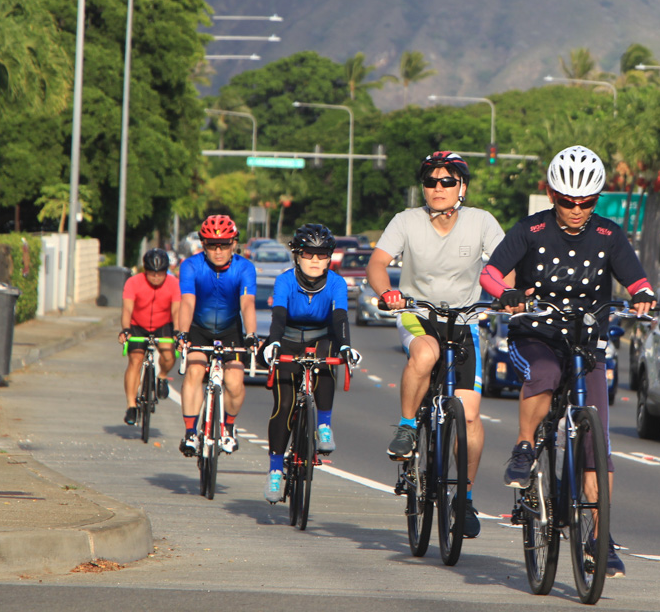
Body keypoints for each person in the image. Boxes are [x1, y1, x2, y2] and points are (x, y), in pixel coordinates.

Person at [480, 145, 656, 578]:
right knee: (544, 373)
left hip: (586, 342)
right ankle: (524, 448)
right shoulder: (531, 229)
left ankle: (599, 535)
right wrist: (507, 295)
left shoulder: (609, 235)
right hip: (536, 336)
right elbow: (490, 273)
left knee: (600, 447)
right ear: (551, 193)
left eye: (587, 202)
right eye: (567, 201)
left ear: (597, 199)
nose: (577, 210)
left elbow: (636, 279)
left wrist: (643, 298)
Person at [366, 150, 505, 539]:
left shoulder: (481, 222)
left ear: (462, 186)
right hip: (418, 314)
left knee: (471, 416)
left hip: (465, 320)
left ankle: (465, 497)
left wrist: (510, 290)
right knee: (424, 353)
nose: (438, 188)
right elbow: (377, 263)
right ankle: (409, 427)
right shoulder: (406, 221)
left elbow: (504, 264)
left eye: (447, 181)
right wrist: (387, 292)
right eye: (431, 181)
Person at [260, 224, 361, 503]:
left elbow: (340, 318)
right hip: (288, 339)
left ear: (330, 257)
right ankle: (275, 472)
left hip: (321, 340)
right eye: (308, 253)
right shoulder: (285, 280)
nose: (315, 260)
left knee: (328, 356)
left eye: (322, 254)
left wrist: (347, 348)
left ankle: (324, 426)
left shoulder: (337, 283)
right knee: (284, 406)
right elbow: (278, 316)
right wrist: (274, 343)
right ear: (297, 255)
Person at [175, 215, 258, 457]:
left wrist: (251, 334)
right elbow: (188, 302)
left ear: (234, 243)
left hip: (230, 329)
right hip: (199, 329)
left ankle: (229, 428)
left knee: (234, 383)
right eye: (212, 245)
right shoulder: (191, 266)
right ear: (203, 244)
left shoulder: (245, 268)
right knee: (195, 371)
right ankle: (191, 433)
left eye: (224, 244)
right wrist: (183, 333)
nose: (218, 250)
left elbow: (248, 304)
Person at [118, 248, 180, 426]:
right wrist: (126, 329)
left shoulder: (173, 283)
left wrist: (177, 331)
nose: (156, 277)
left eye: (160, 273)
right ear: (145, 270)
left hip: (163, 324)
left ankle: (161, 377)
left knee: (169, 355)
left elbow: (176, 309)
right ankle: (131, 406)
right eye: (152, 273)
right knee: (135, 360)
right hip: (138, 324)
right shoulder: (133, 282)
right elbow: (127, 309)